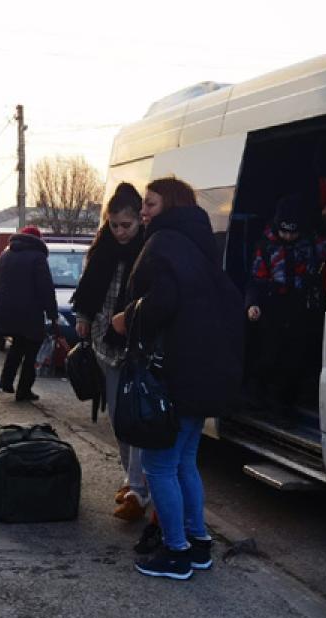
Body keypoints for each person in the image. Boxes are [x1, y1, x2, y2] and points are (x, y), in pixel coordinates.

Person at [112, 177, 245, 579]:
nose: (143, 211)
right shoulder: (200, 244)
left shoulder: (164, 243)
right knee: (185, 462)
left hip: (176, 374)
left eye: (150, 204)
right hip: (205, 374)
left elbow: (163, 302)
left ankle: (176, 552)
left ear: (168, 205)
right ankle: (198, 542)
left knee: (159, 467)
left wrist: (128, 317)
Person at [70, 182, 153, 523]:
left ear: (139, 221)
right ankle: (130, 479)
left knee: (135, 419)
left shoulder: (149, 250)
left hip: (137, 347)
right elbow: (88, 289)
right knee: (119, 419)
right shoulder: (101, 248)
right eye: (114, 225)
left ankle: (139, 488)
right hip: (105, 345)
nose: (120, 232)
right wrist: (83, 318)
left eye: (127, 225)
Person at [244, 194, 326, 416]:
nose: (289, 237)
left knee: (295, 355)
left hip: (301, 304)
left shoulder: (311, 243)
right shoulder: (266, 246)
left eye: (294, 232)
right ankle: (258, 395)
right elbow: (256, 280)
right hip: (272, 304)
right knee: (269, 353)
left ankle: (283, 403)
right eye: (284, 232)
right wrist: (253, 304)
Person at [0, 225, 57, 402]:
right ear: (38, 240)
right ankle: (24, 390)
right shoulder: (38, 257)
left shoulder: (6, 255)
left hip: (6, 312)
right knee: (32, 350)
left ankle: (6, 381)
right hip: (30, 314)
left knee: (18, 344)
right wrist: (52, 315)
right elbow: (46, 289)